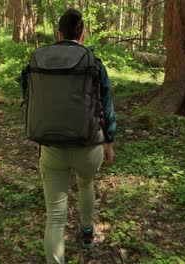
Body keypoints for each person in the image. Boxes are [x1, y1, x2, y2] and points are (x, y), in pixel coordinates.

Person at [36, 8, 117, 264]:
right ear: (82, 34)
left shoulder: (40, 59)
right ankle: (87, 233)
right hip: (88, 144)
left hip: (51, 146)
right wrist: (109, 141)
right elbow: (107, 104)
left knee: (56, 217)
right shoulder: (94, 63)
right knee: (85, 184)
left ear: (58, 33)